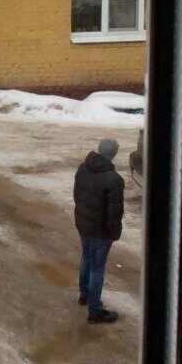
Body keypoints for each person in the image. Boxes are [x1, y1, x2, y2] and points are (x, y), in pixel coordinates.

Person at [73, 137, 126, 324]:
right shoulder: (114, 180)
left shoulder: (83, 168)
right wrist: (114, 232)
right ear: (113, 154)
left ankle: (84, 295)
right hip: (100, 231)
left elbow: (76, 195)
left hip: (83, 224)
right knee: (97, 268)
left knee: (86, 257)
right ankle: (95, 310)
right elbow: (115, 213)